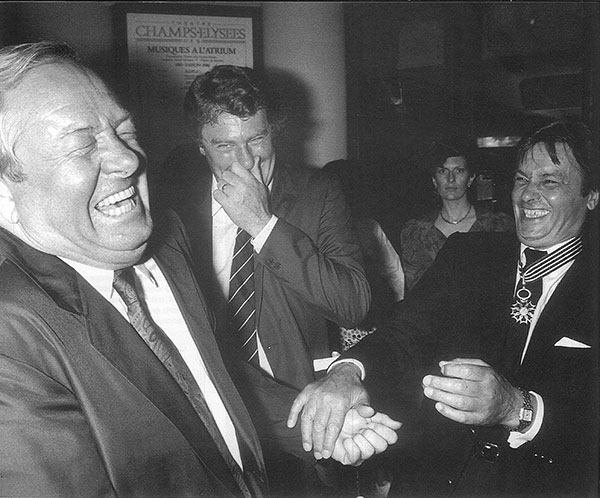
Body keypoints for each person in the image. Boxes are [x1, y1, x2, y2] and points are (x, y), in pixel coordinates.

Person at [0, 41, 400, 498]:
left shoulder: (163, 243)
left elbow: (206, 375)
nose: (128, 159)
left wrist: (317, 423)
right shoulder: (15, 332)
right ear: (201, 146)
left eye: (125, 132)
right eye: (80, 144)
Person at [288, 120, 599, 497]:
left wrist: (518, 409)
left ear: (591, 195)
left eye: (549, 181)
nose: (528, 194)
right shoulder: (468, 254)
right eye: (521, 179)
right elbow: (404, 333)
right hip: (433, 481)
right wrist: (347, 373)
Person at [154, 65, 372, 495]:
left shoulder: (318, 192)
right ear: (200, 145)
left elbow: (354, 305)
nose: (246, 160)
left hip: (302, 410)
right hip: (210, 417)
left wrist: (263, 225)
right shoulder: (172, 204)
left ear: (274, 132)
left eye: (256, 139)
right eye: (224, 145)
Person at [398, 138, 514, 292]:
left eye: (459, 171)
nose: (450, 179)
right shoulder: (416, 231)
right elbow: (415, 290)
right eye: (443, 171)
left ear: (470, 178)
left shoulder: (498, 225)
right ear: (434, 180)